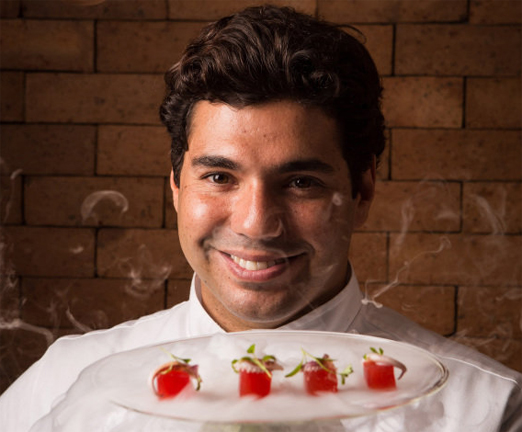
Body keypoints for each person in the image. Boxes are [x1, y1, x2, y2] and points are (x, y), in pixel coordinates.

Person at [0, 5, 520, 431]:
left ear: (361, 190)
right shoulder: (64, 384)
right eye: (219, 177)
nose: (255, 224)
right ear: (176, 185)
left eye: (300, 182)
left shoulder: (486, 410)